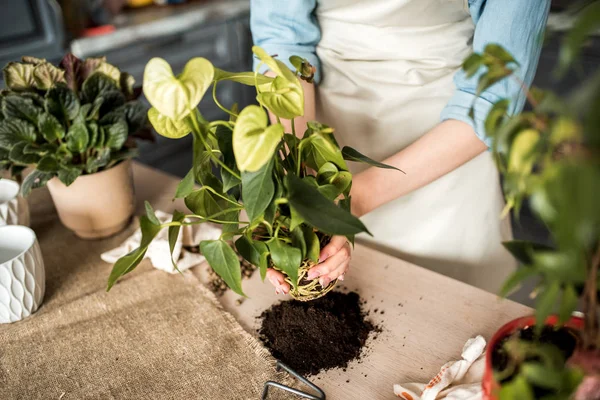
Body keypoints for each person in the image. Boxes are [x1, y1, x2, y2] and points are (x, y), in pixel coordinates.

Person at [250, 0, 551, 295]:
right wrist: (302, 173)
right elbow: (282, 39)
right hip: (327, 135)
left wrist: (348, 203)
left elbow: (492, 100)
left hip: (445, 152)